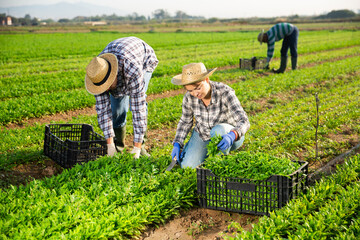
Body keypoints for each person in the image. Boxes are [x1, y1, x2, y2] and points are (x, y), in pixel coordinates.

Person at [85, 36, 159, 158]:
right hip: (120, 57)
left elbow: (138, 108)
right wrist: (109, 145)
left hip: (143, 59)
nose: (106, 90)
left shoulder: (133, 70)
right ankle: (117, 147)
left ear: (113, 75)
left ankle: (142, 147)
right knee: (117, 109)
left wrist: (137, 147)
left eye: (107, 85)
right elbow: (103, 111)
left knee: (139, 103)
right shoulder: (97, 73)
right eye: (103, 87)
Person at [170, 62, 250, 168]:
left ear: (206, 80)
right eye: (190, 90)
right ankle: (200, 153)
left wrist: (233, 135)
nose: (195, 93)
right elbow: (185, 122)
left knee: (218, 131)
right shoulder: (189, 98)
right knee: (187, 166)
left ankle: (218, 163)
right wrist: (177, 143)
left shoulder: (225, 92)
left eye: (198, 88)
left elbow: (244, 120)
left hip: (228, 136)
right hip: (203, 135)